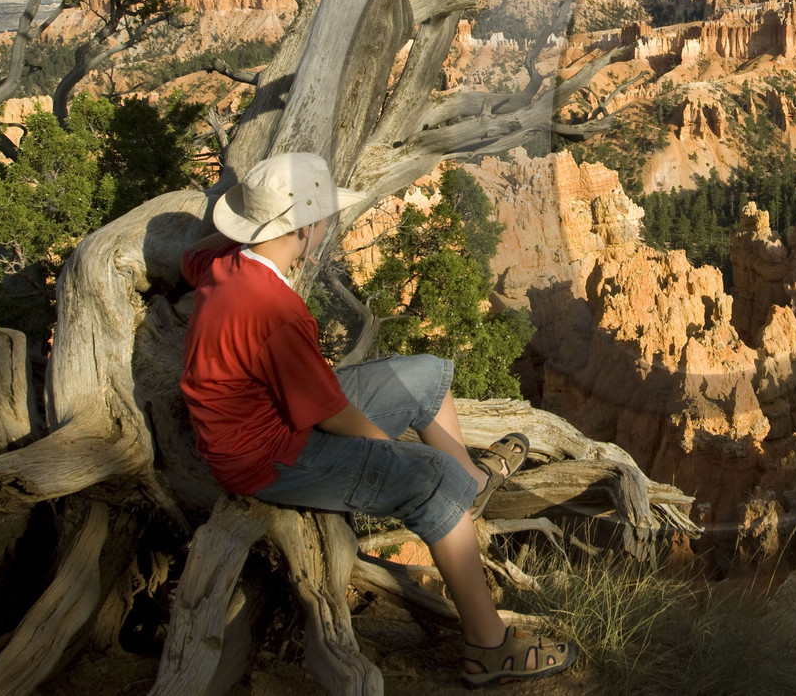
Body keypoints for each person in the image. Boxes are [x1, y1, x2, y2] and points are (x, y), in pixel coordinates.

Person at [178, 152, 578, 687]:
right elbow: (335, 418)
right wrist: (400, 459)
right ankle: (489, 647)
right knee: (432, 479)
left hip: (273, 413)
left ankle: (474, 485)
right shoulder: (274, 310)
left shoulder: (224, 266)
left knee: (425, 375)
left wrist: (245, 223)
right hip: (267, 457)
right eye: (323, 220)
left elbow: (192, 255)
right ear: (306, 226)